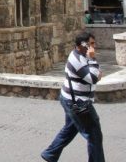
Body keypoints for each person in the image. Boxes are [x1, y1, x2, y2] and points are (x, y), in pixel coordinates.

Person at [41, 32, 104, 162]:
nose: (94, 46)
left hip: (70, 99)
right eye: (91, 44)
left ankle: (50, 154)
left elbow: (97, 74)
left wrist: (94, 69)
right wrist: (93, 60)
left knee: (70, 129)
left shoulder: (83, 55)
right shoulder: (77, 59)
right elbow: (93, 77)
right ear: (82, 44)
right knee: (94, 135)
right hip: (79, 102)